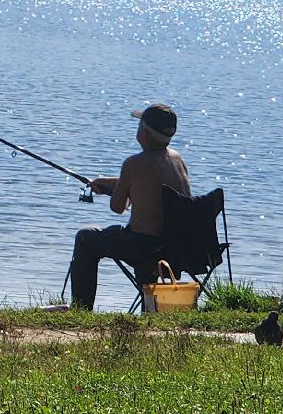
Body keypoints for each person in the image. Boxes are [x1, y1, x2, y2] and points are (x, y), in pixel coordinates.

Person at [67, 103, 190, 311]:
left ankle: (81, 308)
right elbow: (150, 186)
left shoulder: (133, 164)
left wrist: (115, 190)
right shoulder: (177, 160)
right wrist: (112, 183)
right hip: (177, 248)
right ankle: (150, 309)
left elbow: (117, 207)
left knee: (86, 237)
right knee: (137, 238)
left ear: (144, 131)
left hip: (145, 248)